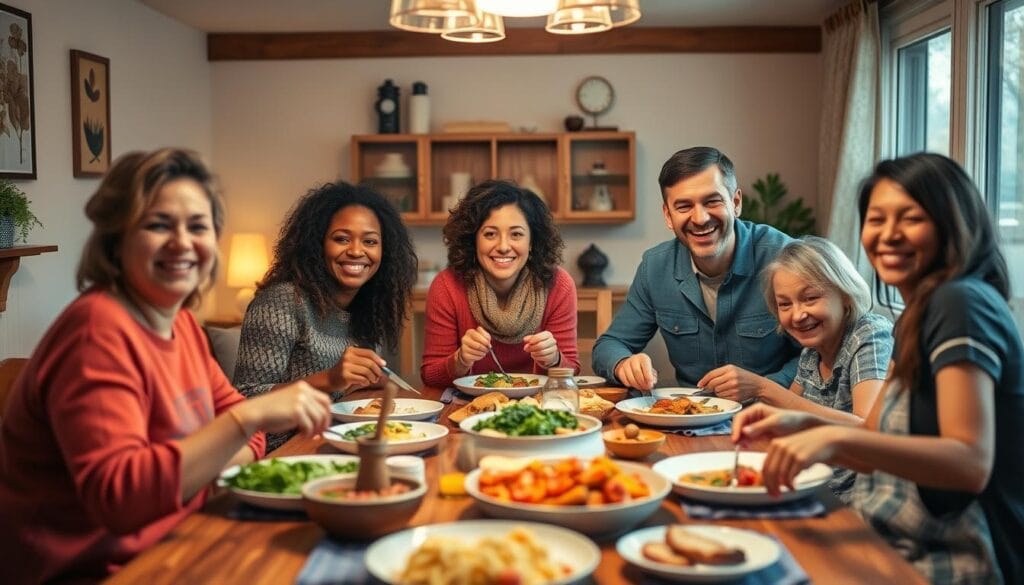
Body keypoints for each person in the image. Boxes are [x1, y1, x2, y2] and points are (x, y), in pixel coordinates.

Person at [0, 149, 332, 584]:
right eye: (158, 224)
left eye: (198, 226)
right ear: (116, 238)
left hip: (178, 544)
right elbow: (120, 500)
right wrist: (244, 417)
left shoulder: (181, 325)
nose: (182, 242)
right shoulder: (97, 331)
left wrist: (229, 436)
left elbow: (252, 440)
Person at [733, 153, 1023, 584]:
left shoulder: (959, 303)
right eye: (876, 219)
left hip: (961, 559)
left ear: (951, 223)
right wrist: (795, 420)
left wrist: (827, 438)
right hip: (898, 538)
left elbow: (970, 462)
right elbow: (875, 438)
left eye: (910, 218)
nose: (888, 234)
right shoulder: (919, 314)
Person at [592, 146, 801, 394]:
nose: (700, 218)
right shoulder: (655, 267)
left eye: (712, 201)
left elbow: (821, 355)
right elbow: (609, 345)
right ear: (668, 216)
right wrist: (624, 364)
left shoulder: (785, 257)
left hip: (772, 416)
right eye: (683, 206)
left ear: (735, 203)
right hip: (689, 419)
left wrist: (763, 387)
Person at [233, 182, 417, 452]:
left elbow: (344, 395)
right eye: (342, 238)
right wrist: (328, 379)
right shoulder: (282, 302)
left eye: (370, 241)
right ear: (317, 243)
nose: (356, 251)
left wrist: (367, 379)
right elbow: (243, 402)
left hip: (336, 441)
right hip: (283, 455)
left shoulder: (368, 308)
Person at [754, 236, 892, 500]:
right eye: (785, 304)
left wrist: (764, 388)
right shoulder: (810, 353)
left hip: (854, 501)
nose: (797, 315)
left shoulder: (869, 335)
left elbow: (866, 426)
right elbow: (787, 416)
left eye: (810, 298)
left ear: (845, 295)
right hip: (811, 486)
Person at [420, 179, 579, 387]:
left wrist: (554, 359)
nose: (503, 246)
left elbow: (572, 370)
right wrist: (460, 360)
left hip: (537, 408)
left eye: (516, 234)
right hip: (469, 409)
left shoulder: (559, 284)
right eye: (490, 234)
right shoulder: (447, 286)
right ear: (473, 240)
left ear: (531, 242)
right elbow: (430, 376)